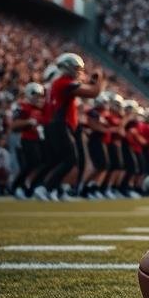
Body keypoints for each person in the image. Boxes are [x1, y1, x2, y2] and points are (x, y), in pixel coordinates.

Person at [33, 53, 101, 201]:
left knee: (64, 160)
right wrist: (98, 79)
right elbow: (93, 92)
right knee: (70, 160)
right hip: (60, 124)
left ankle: (54, 190)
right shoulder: (63, 82)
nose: (79, 72)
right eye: (77, 68)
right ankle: (45, 187)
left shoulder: (58, 83)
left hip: (58, 124)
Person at [10, 82, 46, 199]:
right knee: (30, 164)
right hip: (26, 139)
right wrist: (28, 121)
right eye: (37, 95)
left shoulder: (41, 109)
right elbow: (14, 125)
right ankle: (17, 186)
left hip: (38, 140)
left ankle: (29, 187)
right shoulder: (23, 107)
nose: (39, 98)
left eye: (40, 96)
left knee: (40, 164)